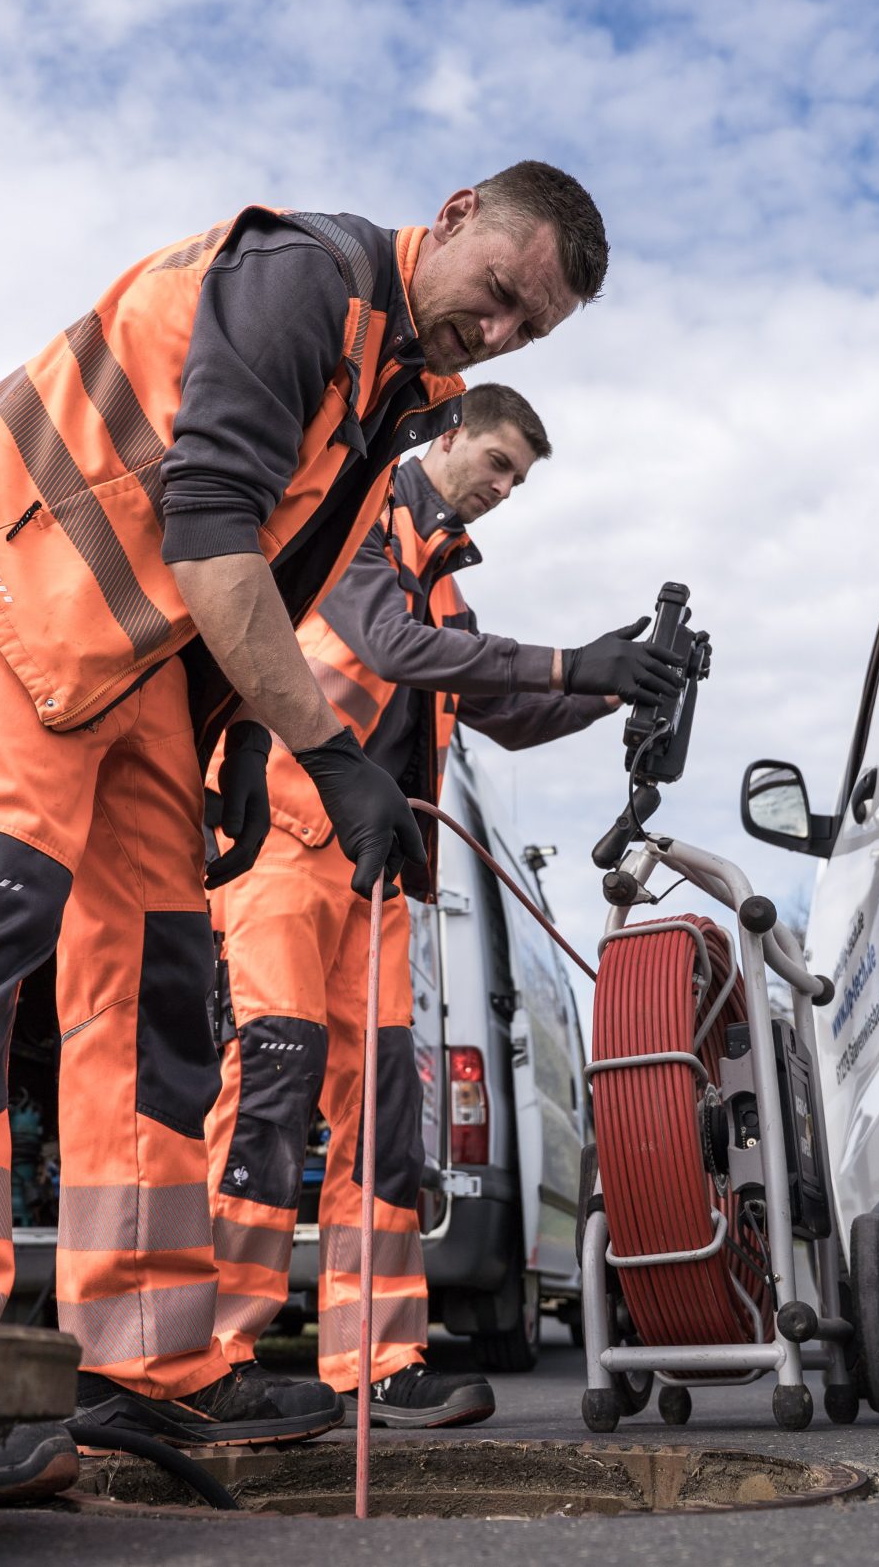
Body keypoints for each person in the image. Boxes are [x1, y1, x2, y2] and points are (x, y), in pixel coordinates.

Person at [0, 165, 610, 1504]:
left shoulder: (396, 390)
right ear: (458, 213)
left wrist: (230, 745)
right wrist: (323, 752)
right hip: (17, 607)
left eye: (533, 329)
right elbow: (212, 530)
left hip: (143, 682)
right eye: (502, 294)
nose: (502, 331)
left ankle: (147, 1360)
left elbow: (270, 581)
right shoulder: (304, 280)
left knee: (161, 1004)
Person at [205, 382, 686, 1428]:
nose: (503, 489)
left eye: (518, 480)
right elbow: (390, 647)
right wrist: (570, 660)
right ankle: (215, 1356)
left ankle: (377, 1359)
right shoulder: (364, 510)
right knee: (271, 1088)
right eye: (498, 464)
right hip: (286, 836)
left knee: (385, 1119)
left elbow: (493, 705)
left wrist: (610, 683)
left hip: (373, 871)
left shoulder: (442, 574)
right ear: (449, 435)